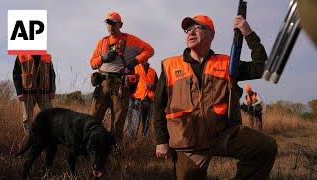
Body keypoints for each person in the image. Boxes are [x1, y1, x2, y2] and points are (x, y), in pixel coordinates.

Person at [154, 14, 278, 179]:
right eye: (188, 29)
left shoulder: (227, 64)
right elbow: (158, 106)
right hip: (188, 144)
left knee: (266, 147)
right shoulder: (170, 66)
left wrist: (248, 33)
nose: (190, 32)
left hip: (222, 134)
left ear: (211, 34)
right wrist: (161, 141)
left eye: (196, 28)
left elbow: (261, 67)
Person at [89, 11, 154, 143]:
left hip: (120, 85)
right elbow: (92, 63)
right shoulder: (102, 42)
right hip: (102, 84)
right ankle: (90, 148)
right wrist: (103, 58)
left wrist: (134, 62)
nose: (110, 26)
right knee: (92, 120)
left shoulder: (130, 39)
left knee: (117, 123)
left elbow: (150, 50)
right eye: (108, 23)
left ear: (120, 24)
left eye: (113, 23)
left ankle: (115, 155)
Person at [13, 53, 56, 134]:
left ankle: (49, 139)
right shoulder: (21, 55)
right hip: (27, 93)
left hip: (44, 93)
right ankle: (29, 139)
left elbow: (52, 74)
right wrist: (19, 92)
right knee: (27, 119)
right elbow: (16, 74)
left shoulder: (47, 56)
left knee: (51, 116)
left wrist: (52, 90)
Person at [125, 62, 158, 137]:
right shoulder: (134, 69)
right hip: (137, 99)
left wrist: (152, 86)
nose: (145, 58)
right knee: (135, 123)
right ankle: (131, 142)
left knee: (147, 123)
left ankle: (145, 141)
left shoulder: (153, 71)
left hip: (149, 100)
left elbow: (158, 85)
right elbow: (128, 85)